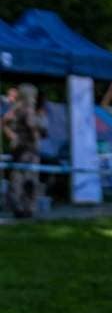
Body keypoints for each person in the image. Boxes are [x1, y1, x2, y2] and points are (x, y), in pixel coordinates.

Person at [3, 84, 42, 218]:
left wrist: (13, 137)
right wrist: (36, 136)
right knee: (29, 180)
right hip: (29, 150)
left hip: (18, 149)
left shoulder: (15, 108)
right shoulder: (27, 108)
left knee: (17, 179)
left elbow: (4, 122)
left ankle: (17, 208)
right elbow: (31, 125)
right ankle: (27, 210)